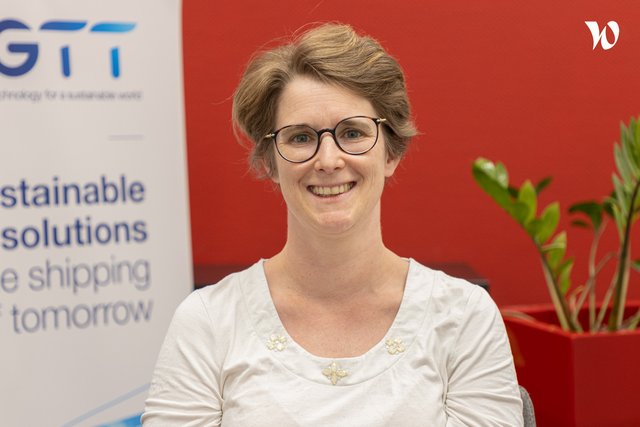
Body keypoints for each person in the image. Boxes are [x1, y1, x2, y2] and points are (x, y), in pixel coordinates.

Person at [142, 23, 523, 426]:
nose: (327, 160)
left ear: (391, 153)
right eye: (300, 137)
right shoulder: (208, 322)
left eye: (353, 132)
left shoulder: (464, 318)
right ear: (270, 161)